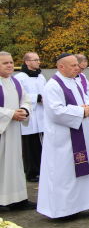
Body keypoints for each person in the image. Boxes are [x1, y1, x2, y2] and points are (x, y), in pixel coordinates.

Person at [37, 53, 89, 219]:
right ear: (61, 67)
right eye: (73, 65)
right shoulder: (53, 86)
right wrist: (82, 111)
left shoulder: (76, 81)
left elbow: (87, 99)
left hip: (81, 134)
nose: (78, 67)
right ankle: (63, 210)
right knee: (65, 174)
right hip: (63, 140)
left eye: (77, 64)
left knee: (84, 170)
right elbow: (55, 112)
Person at [0, 51, 35, 211]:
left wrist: (24, 111)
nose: (9, 65)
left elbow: (26, 100)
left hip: (13, 130)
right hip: (2, 130)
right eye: (5, 63)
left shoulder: (15, 82)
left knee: (15, 165)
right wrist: (10, 114)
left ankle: (18, 199)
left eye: (11, 62)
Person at [15, 52, 46, 182]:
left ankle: (42, 169)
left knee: (42, 144)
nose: (38, 62)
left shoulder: (41, 77)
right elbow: (19, 95)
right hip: (29, 116)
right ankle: (31, 172)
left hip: (41, 114)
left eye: (38, 59)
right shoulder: (19, 77)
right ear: (27, 62)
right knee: (29, 146)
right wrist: (37, 98)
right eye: (35, 60)